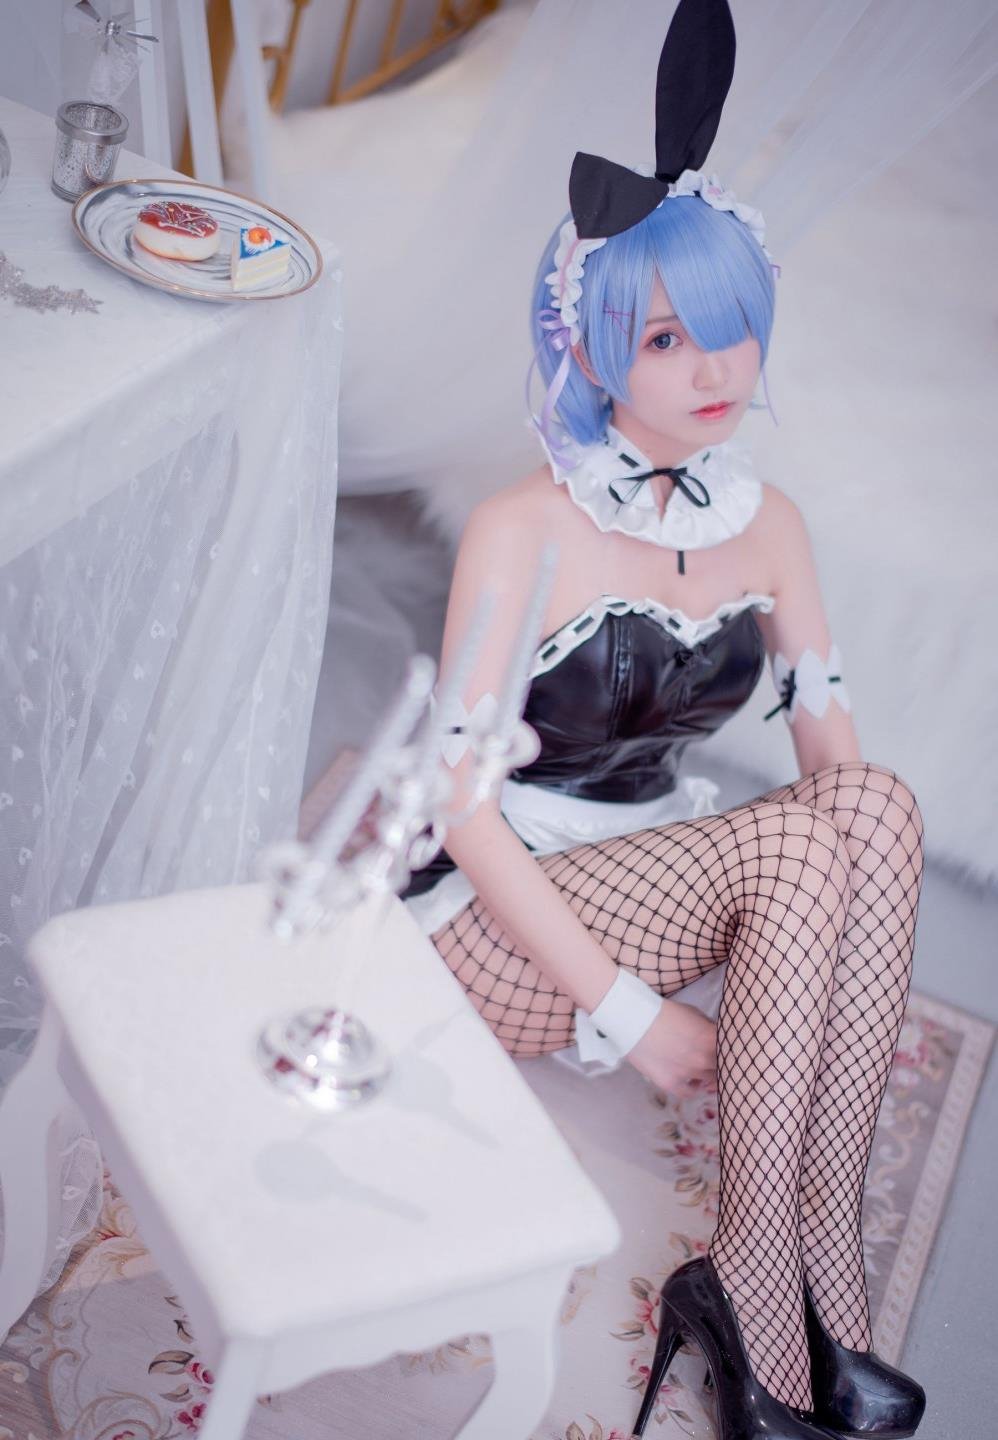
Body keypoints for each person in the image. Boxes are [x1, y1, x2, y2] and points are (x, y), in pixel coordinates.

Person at [402, 2, 926, 1435]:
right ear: (590, 347)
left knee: (869, 806)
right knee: (797, 847)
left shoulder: (768, 522)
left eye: (735, 330)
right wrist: (631, 1018)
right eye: (670, 338)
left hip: (648, 867)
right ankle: (754, 1288)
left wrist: (858, 868)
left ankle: (822, 1282)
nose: (718, 371)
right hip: (492, 916)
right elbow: (457, 808)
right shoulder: (521, 530)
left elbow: (831, 753)